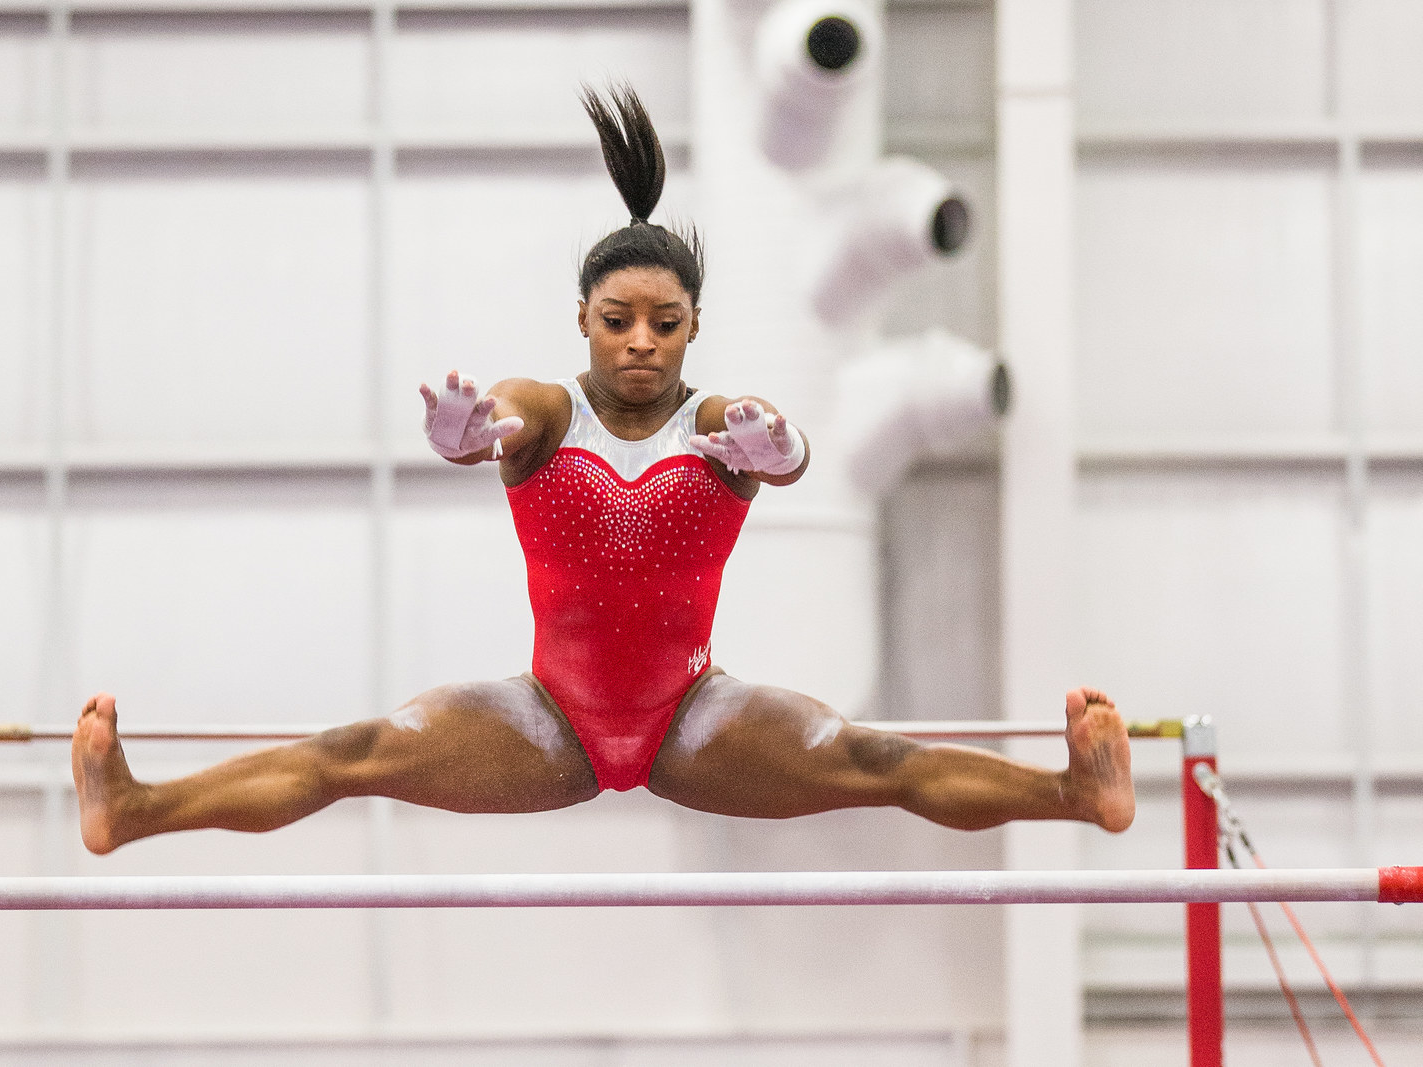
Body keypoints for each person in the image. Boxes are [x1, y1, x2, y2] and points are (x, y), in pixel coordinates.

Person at [71, 85, 1134, 855]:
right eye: (617, 320)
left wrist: (780, 451)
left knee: (875, 761)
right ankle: (135, 807)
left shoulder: (720, 423)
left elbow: (787, 449)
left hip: (694, 718)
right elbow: (490, 423)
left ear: (692, 328)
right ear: (581, 319)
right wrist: (460, 431)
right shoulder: (549, 409)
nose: (638, 341)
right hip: (545, 721)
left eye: (663, 324)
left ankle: (1075, 792)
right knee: (355, 748)